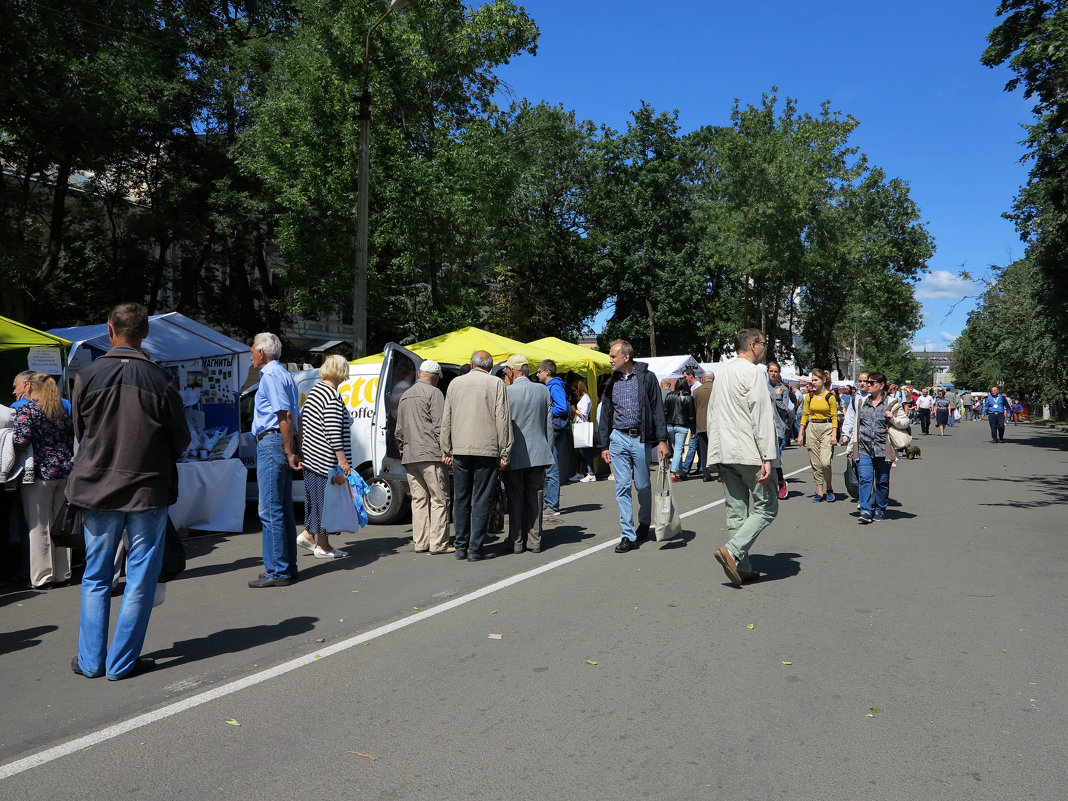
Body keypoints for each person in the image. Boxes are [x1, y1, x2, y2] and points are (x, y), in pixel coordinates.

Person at [68, 303, 189, 679]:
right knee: (138, 578)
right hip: (146, 490)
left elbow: (80, 432)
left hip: (98, 487)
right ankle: (120, 663)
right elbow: (181, 439)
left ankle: (91, 662)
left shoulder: (87, 375)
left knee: (97, 577)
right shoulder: (160, 379)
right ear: (145, 333)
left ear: (109, 330)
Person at [707, 329, 779, 587]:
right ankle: (733, 550)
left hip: (725, 451)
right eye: (763, 343)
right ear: (752, 345)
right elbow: (760, 416)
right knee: (767, 507)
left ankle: (742, 566)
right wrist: (768, 456)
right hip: (749, 452)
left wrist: (713, 453)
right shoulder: (753, 373)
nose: (765, 348)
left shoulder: (723, 373)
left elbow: (712, 413)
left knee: (736, 512)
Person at [597, 340, 669, 554]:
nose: (609, 360)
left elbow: (657, 409)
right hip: (617, 438)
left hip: (640, 440)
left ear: (626, 357)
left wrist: (662, 440)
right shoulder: (610, 382)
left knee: (643, 485)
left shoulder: (646, 378)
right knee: (621, 487)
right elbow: (605, 415)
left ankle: (644, 522)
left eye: (613, 356)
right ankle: (627, 535)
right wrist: (604, 444)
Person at [440, 350, 512, 562]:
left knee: (460, 498)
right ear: (489, 367)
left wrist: (446, 448)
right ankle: (475, 548)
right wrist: (505, 451)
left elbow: (447, 419)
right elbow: (503, 419)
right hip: (487, 449)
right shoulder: (496, 384)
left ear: (472, 365)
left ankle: (461, 547)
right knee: (481, 499)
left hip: (460, 448)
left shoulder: (455, 384)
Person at [248, 332, 302, 588]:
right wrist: (293, 448)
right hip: (278, 442)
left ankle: (278, 570)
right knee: (282, 508)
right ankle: (285, 566)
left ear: (261, 352)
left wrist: (289, 450)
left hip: (272, 442)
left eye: (252, 352)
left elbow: (285, 415)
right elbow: (291, 415)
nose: (251, 357)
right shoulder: (284, 374)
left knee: (270, 509)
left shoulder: (270, 375)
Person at [13, 372, 74, 589]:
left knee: (39, 527)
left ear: (29, 386)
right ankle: (63, 574)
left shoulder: (28, 410)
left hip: (38, 474)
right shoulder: (60, 409)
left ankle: (42, 577)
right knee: (60, 525)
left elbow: (20, 441)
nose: (15, 391)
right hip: (64, 471)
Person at [296, 354, 353, 559]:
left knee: (317, 501)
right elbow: (332, 430)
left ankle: (308, 535)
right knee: (327, 503)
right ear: (341, 371)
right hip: (325, 461)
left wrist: (305, 448)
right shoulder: (331, 395)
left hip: (312, 458)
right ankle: (323, 545)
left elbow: (301, 422)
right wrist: (342, 460)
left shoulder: (315, 392)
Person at [395, 359, 453, 555]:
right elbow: (440, 426)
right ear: (436, 377)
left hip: (410, 456)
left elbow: (398, 431)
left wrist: (404, 452)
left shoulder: (405, 396)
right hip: (430, 454)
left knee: (418, 500)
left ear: (420, 374)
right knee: (439, 499)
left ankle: (420, 542)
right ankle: (438, 543)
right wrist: (447, 452)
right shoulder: (434, 393)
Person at [501, 355, 553, 554]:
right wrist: (549, 452)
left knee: (515, 497)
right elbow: (549, 425)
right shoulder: (542, 390)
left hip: (514, 454)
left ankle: (516, 541)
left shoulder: (506, 392)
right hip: (540, 453)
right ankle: (535, 540)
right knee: (535, 496)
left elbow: (503, 425)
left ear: (512, 371)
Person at [850, 372, 909, 524]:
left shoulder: (892, 402)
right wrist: (851, 446)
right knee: (865, 479)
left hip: (883, 449)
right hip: (864, 447)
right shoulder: (862, 402)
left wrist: (893, 418)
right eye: (867, 382)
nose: (867, 385)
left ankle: (880, 509)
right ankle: (865, 510)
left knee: (882, 481)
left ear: (881, 385)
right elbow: (857, 425)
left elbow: (905, 422)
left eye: (871, 382)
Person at [797, 369, 838, 502]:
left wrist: (834, 434)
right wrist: (800, 433)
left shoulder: (830, 397)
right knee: (815, 462)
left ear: (823, 380)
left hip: (826, 427)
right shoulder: (809, 396)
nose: (813, 383)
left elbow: (834, 417)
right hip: (812, 428)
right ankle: (820, 492)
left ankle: (829, 488)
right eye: (812, 380)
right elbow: (804, 414)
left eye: (816, 380)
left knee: (825, 462)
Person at [537, 360, 570, 515]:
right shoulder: (554, 386)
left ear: (547, 372)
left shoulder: (554, 387)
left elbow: (562, 407)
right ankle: (549, 503)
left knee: (552, 467)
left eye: (539, 371)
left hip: (554, 430)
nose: (537, 375)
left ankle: (552, 505)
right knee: (549, 467)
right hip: (554, 429)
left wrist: (546, 411)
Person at [767, 361, 794, 499]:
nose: (773, 374)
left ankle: (781, 482)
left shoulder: (783, 389)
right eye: (771, 371)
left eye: (775, 371)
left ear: (779, 373)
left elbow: (785, 409)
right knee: (765, 457)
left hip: (778, 427)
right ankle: (768, 485)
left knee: (775, 456)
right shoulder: (763, 387)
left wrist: (777, 397)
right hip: (764, 426)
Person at [664, 377, 696, 481]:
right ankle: (674, 472)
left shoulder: (669, 396)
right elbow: (691, 416)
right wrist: (693, 430)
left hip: (669, 425)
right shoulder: (689, 398)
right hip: (682, 425)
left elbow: (665, 411)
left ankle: (680, 471)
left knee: (677, 447)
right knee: (678, 448)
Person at [568, 378, 597, 482]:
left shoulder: (585, 398)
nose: (575, 392)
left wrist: (573, 409)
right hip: (579, 426)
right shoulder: (583, 398)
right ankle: (581, 473)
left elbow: (583, 414)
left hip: (582, 426)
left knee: (586, 452)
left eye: (575, 390)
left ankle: (591, 473)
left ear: (579, 389)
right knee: (580, 452)